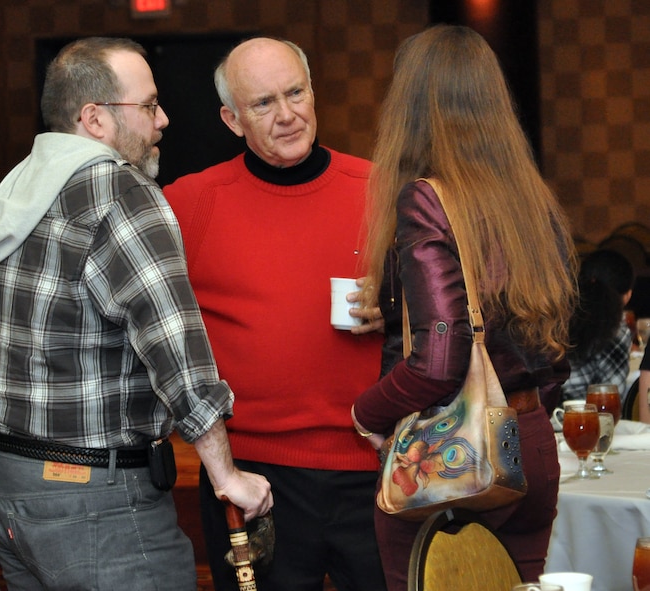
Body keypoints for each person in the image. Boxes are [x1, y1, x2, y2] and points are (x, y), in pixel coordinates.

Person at [0, 37, 272, 591]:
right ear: (95, 118)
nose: (164, 119)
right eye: (149, 105)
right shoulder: (118, 187)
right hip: (91, 501)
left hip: (1, 481)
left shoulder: (17, 188)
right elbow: (174, 344)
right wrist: (225, 475)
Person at [350, 25, 577, 589]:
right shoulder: (531, 196)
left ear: (409, 105)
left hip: (452, 455)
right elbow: (550, 339)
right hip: (530, 443)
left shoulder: (425, 197)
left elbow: (438, 360)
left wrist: (367, 413)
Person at [163, 36, 387, 591]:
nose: (287, 115)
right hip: (254, 481)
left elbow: (447, 312)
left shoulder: (383, 188)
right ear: (232, 119)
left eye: (296, 93)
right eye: (264, 103)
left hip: (377, 470)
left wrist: (397, 310)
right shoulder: (189, 203)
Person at [561, 249, 635, 402]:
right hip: (581, 418)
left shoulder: (560, 318)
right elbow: (611, 399)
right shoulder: (616, 331)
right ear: (627, 295)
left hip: (546, 412)